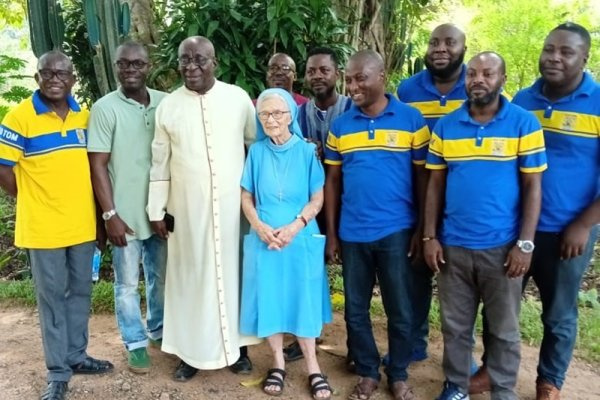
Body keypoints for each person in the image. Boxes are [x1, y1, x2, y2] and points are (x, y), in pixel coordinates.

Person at [423, 52, 547, 400]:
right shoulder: (447, 126)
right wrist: (430, 236)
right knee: (455, 327)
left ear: (502, 79)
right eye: (473, 73)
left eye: (488, 73)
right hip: (454, 247)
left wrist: (525, 243)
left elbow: (533, 187)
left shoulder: (523, 124)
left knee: (504, 330)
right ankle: (457, 386)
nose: (478, 79)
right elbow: (434, 184)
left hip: (502, 248)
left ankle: (503, 389)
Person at [0, 51, 113, 400]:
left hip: (81, 226)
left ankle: (76, 356)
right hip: (43, 229)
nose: (54, 79)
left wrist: (99, 221)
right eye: (47, 73)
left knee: (80, 293)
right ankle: (58, 372)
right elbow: (3, 169)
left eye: (62, 73)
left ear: (72, 79)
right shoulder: (20, 117)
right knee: (51, 299)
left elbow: (95, 170)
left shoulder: (84, 115)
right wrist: (33, 198)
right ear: (37, 78)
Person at [146, 36, 259, 382]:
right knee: (190, 279)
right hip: (187, 211)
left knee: (234, 276)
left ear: (215, 63)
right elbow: (159, 162)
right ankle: (190, 354)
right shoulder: (169, 106)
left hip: (232, 211)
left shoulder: (238, 99)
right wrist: (156, 210)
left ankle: (238, 349)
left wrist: (260, 202)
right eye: (184, 60)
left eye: (199, 59)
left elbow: (256, 148)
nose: (191, 66)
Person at [324, 50, 430, 400]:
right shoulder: (340, 126)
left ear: (382, 76)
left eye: (360, 78)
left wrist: (421, 230)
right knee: (355, 311)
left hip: (397, 232)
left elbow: (422, 179)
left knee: (400, 309)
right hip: (353, 234)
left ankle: (397, 374)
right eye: (349, 79)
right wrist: (332, 234)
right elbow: (333, 183)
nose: (352, 86)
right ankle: (368, 372)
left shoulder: (412, 120)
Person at [503, 23, 597, 400]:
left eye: (566, 52)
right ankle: (494, 369)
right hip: (517, 228)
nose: (554, 57)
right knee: (502, 306)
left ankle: (549, 381)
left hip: (568, 232)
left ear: (584, 58)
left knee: (558, 313)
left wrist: (585, 223)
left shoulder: (598, 102)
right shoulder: (523, 101)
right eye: (549, 49)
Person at [240, 88, 332, 399]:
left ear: (291, 115)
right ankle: (277, 364)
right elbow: (246, 196)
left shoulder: (307, 152)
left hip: (299, 236)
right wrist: (258, 226)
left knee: (303, 299)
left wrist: (295, 226)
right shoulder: (256, 152)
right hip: (265, 238)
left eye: (277, 113)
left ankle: (313, 367)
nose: (270, 119)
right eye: (264, 114)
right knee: (271, 299)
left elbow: (317, 197)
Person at [87, 42, 167, 374]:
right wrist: (110, 216)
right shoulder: (105, 108)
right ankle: (135, 343)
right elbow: (97, 165)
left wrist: (167, 209)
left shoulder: (166, 103)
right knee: (125, 285)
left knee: (161, 279)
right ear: (116, 67)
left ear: (150, 66)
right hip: (125, 219)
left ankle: (159, 330)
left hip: (160, 215)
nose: (130, 69)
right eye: (123, 64)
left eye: (137, 64)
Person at [395, 22, 470, 368]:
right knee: (416, 274)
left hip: (462, 207)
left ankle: (463, 357)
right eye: (434, 42)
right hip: (418, 201)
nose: (440, 48)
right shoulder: (408, 90)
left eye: (449, 42)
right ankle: (414, 342)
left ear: (463, 49)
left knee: (463, 286)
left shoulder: (479, 85)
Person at [283, 46, 352, 364]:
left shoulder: (352, 108)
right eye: (311, 71)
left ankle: (358, 345)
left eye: (324, 70)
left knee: (355, 276)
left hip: (350, 205)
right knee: (308, 272)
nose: (317, 76)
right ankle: (305, 335)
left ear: (337, 73)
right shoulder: (299, 114)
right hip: (311, 206)